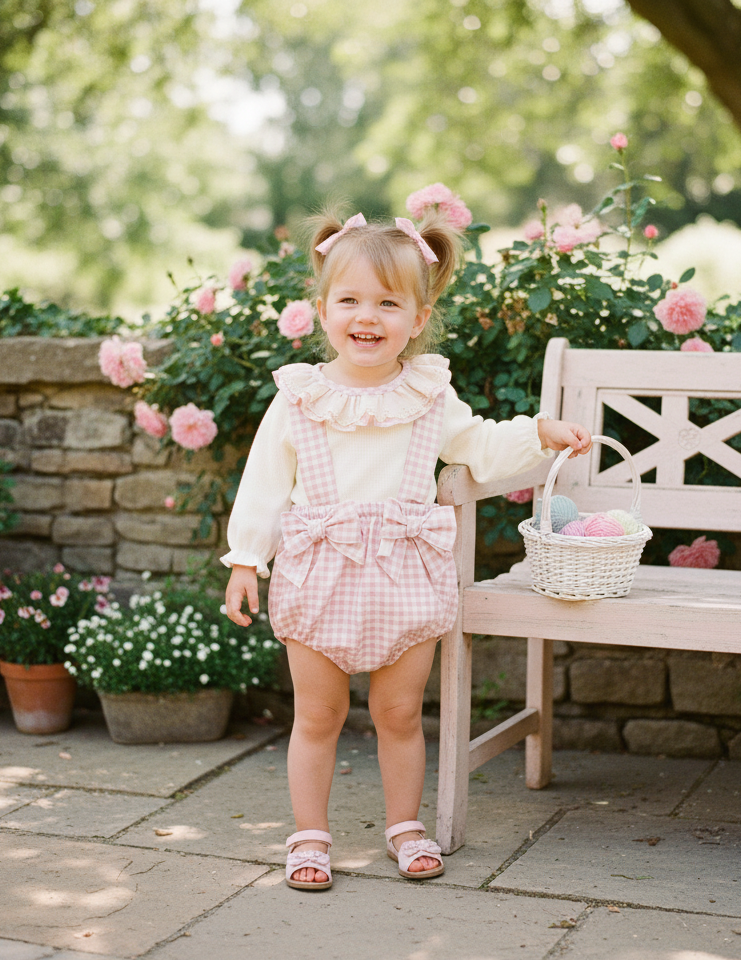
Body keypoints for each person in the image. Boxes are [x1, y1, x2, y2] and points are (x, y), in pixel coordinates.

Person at [223, 208, 591, 891]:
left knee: (398, 714)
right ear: (322, 310)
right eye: (349, 300)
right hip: (318, 573)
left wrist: (537, 432)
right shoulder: (300, 398)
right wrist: (247, 558)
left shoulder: (428, 395)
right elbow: (263, 483)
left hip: (405, 574)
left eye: (388, 303)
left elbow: (478, 445)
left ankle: (403, 825)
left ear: (418, 319)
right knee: (318, 715)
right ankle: (309, 834)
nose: (367, 316)